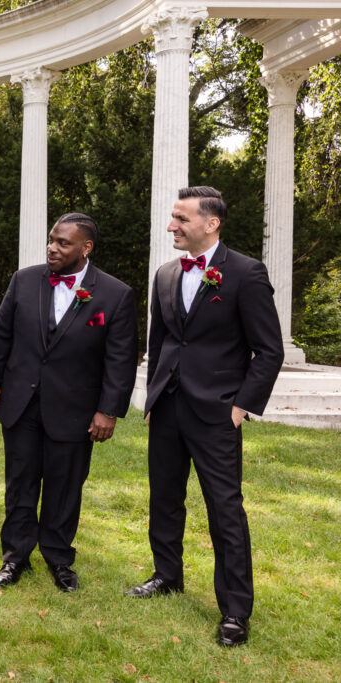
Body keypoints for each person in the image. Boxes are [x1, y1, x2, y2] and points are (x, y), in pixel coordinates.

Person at [127, 186, 284, 647]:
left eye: (181, 218)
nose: (172, 225)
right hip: (169, 407)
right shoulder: (165, 275)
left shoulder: (246, 273)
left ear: (210, 224)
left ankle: (235, 611)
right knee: (164, 497)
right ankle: (166, 575)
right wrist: (153, 397)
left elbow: (268, 349)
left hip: (218, 412)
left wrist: (241, 406)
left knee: (224, 509)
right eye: (173, 218)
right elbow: (162, 344)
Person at [0, 214, 138, 593]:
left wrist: (108, 409)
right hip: (21, 401)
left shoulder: (115, 294)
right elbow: (1, 334)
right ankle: (14, 557)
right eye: (52, 240)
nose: (53, 247)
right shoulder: (24, 279)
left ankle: (58, 558)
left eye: (64, 243)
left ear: (86, 248)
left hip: (75, 408)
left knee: (65, 486)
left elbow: (121, 358)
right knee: (19, 483)